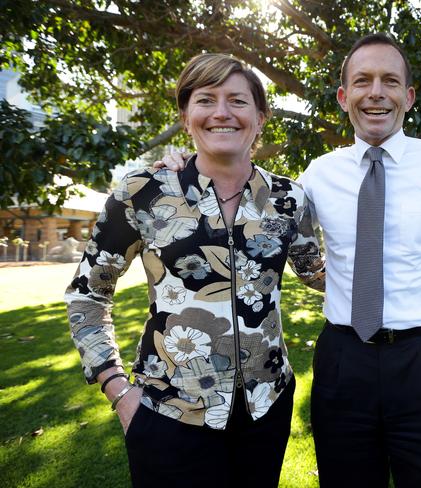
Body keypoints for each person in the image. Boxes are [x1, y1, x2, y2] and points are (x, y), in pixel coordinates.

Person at [159, 33, 421, 488]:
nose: (376, 92)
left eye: (390, 81)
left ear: (408, 96)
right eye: (362, 81)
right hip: (344, 363)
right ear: (344, 97)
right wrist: (192, 165)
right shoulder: (317, 175)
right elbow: (258, 202)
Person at [64, 53, 324, 488]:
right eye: (206, 100)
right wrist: (117, 390)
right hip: (169, 414)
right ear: (186, 117)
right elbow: (88, 295)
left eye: (238, 101)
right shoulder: (142, 192)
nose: (222, 112)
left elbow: (317, 273)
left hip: (267, 408)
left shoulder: (288, 198)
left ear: (260, 118)